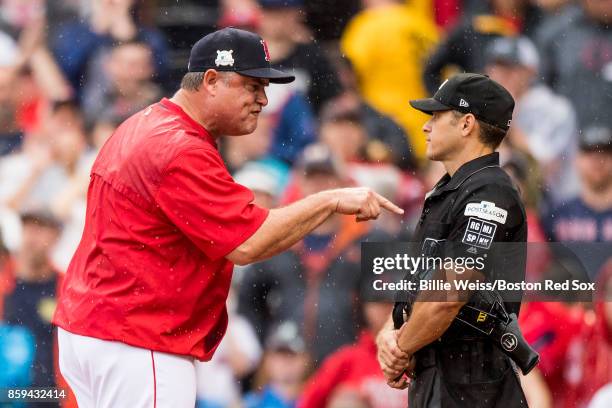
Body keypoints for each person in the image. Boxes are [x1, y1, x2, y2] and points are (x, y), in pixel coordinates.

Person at [53, 27, 402, 408]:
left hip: (95, 330)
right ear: (211, 80)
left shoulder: (144, 123)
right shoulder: (178, 146)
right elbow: (249, 242)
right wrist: (330, 200)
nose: (263, 100)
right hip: (137, 339)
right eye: (252, 87)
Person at [376, 73, 530, 407]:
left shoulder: (489, 191)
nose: (425, 127)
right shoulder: (454, 189)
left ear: (467, 124)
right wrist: (388, 335)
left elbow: (449, 293)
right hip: (445, 379)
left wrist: (401, 348)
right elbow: (419, 284)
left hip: (473, 384)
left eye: (436, 116)